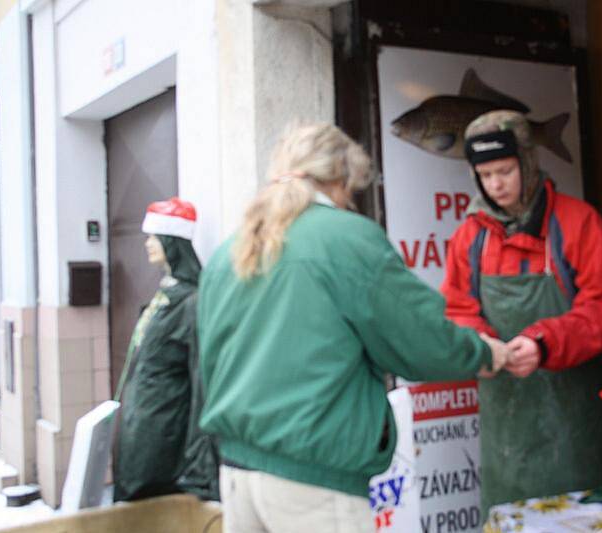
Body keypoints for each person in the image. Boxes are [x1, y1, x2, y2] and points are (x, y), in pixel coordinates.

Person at [197, 123, 511, 533]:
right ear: (341, 180)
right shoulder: (346, 239)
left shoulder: (232, 248)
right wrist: (486, 353)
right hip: (314, 480)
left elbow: (209, 360)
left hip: (237, 475)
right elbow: (419, 338)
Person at [441, 110, 602, 515]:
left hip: (572, 436)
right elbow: (457, 309)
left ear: (528, 162)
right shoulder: (469, 238)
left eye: (506, 171)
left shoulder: (579, 223)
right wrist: (479, 343)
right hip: (505, 438)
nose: (496, 185)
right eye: (486, 175)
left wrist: (545, 344)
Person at [114, 197, 219, 502]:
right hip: (141, 426)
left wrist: (199, 462)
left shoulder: (191, 301)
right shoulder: (166, 294)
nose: (147, 243)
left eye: (154, 237)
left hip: (163, 435)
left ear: (172, 242)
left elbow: (201, 382)